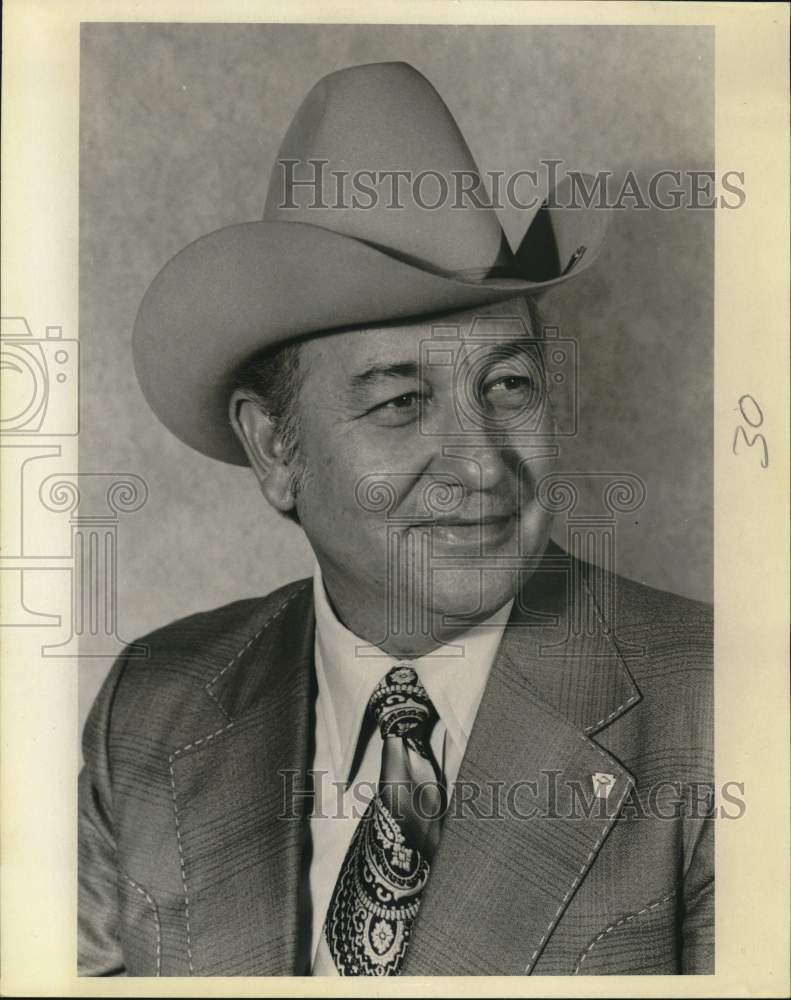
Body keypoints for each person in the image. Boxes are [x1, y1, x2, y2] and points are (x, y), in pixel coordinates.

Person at [78, 61, 713, 976]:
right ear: (276, 450)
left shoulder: (720, 706)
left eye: (509, 386)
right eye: (400, 404)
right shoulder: (152, 704)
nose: (480, 464)